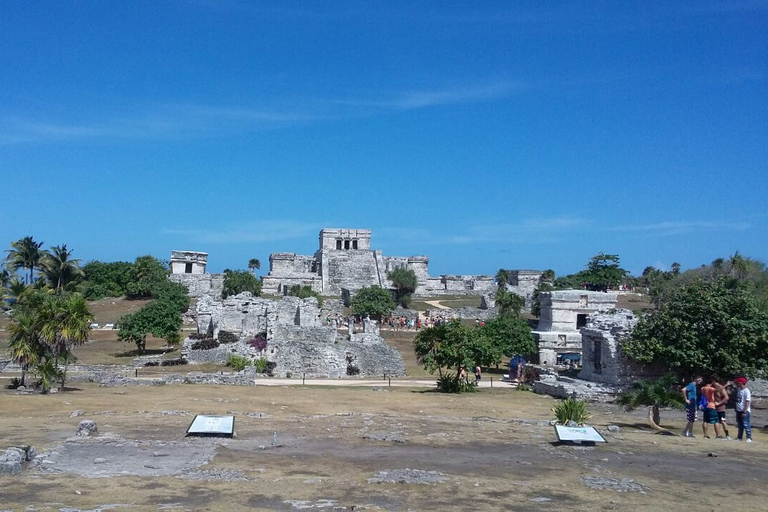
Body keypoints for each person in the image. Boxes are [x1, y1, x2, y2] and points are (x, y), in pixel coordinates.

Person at [734, 377, 753, 442]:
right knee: (740, 424)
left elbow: (748, 401)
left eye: (738, 383)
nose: (736, 384)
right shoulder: (739, 389)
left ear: (741, 383)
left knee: (746, 424)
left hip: (744, 410)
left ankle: (749, 437)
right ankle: (739, 437)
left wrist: (744, 411)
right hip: (738, 410)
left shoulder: (746, 391)